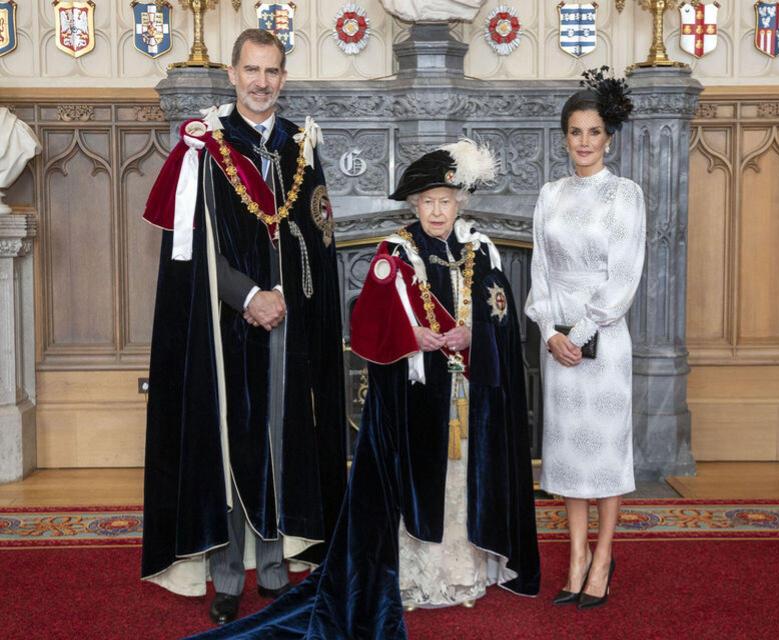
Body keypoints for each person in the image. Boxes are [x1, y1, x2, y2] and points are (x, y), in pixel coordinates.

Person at [190, 139, 540, 639]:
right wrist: (411, 336)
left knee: (461, 484)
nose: (437, 211)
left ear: (459, 202)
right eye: (427, 202)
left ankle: (462, 575)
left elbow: (501, 314)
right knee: (418, 485)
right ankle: (417, 580)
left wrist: (475, 333)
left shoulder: (479, 250)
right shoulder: (393, 252)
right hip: (413, 399)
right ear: (414, 205)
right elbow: (368, 325)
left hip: (467, 395)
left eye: (446, 201)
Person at [140, 28, 347, 626]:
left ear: (284, 77)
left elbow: (316, 238)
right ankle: (229, 575)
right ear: (232, 74)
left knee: (284, 440)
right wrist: (251, 295)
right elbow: (193, 250)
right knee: (233, 444)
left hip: (291, 323)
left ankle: (278, 568)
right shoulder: (204, 150)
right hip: (224, 326)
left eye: (272, 71)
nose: (262, 83)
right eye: (251, 70)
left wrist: (289, 298)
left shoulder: (299, 147)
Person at [525, 67, 644, 610]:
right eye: (576, 131)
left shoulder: (625, 194)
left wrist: (583, 330)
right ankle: (574, 558)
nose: (585, 142)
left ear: (608, 138)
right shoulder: (549, 194)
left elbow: (625, 274)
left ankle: (603, 557)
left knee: (606, 455)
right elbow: (541, 273)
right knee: (568, 457)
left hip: (604, 339)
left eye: (594, 132)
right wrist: (550, 332)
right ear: (565, 136)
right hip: (560, 346)